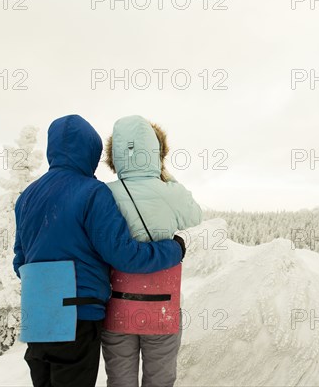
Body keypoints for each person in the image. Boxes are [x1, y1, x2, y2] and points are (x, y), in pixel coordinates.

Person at [12, 114, 186, 387]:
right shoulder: (92, 192)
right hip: (77, 313)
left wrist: (47, 291)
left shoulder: (27, 196)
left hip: (36, 313)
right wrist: (172, 249)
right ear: (92, 151)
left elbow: (20, 261)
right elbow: (124, 255)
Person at [101, 115, 202, 387]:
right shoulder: (169, 192)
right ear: (156, 152)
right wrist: (164, 177)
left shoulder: (104, 193)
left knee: (120, 381)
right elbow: (194, 216)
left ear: (115, 156)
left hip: (117, 305)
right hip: (162, 305)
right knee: (160, 380)